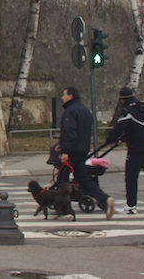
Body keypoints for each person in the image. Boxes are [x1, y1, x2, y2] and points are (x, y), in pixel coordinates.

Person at [55, 85, 113, 218]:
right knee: (83, 178)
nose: (62, 98)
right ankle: (104, 199)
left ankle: (63, 209)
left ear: (70, 96)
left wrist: (65, 150)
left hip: (72, 151)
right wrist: (62, 144)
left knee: (62, 180)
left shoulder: (70, 111)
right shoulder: (85, 111)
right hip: (83, 150)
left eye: (64, 95)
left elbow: (70, 132)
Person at [99, 86, 144, 214]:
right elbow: (137, 128)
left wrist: (109, 140)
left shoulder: (127, 111)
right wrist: (124, 138)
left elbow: (119, 128)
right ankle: (131, 205)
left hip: (137, 149)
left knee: (130, 176)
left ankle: (131, 206)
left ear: (122, 99)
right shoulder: (141, 108)